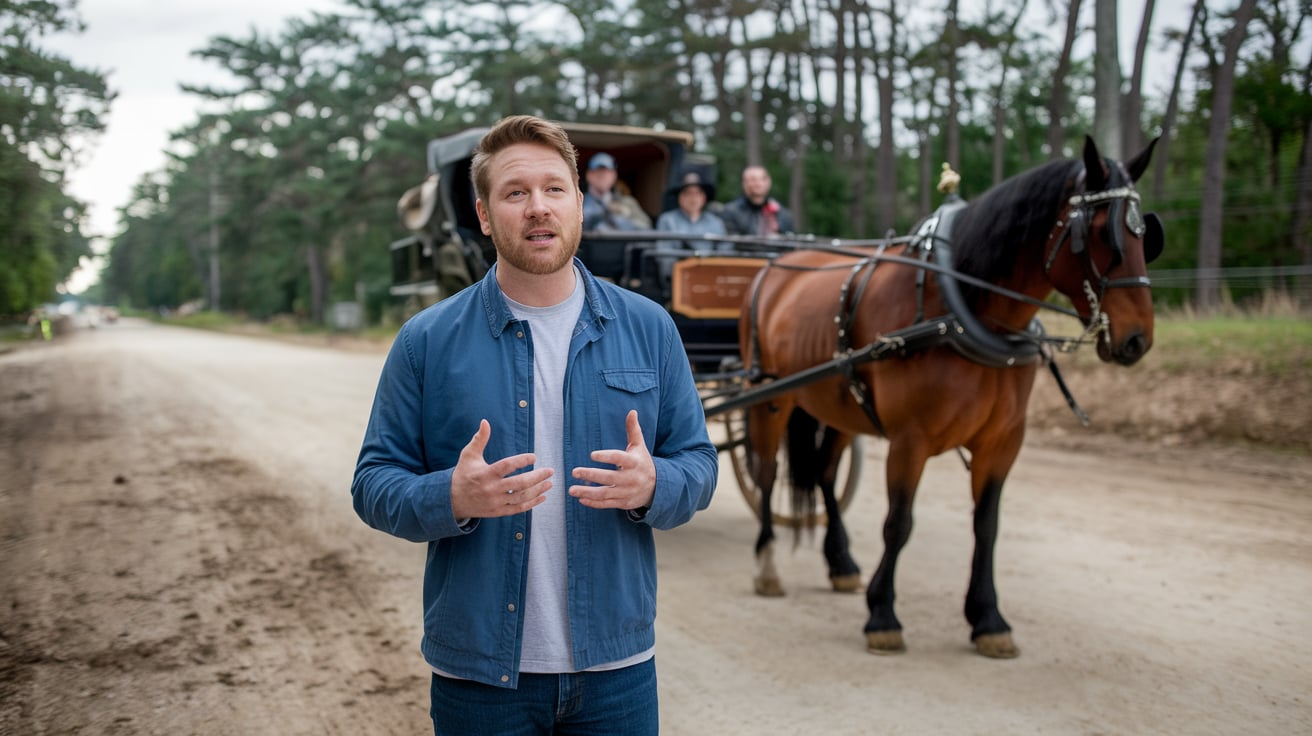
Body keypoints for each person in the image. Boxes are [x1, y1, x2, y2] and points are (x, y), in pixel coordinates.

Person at [350, 114, 718, 736]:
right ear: (486, 215)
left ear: (579, 202)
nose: (538, 208)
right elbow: (373, 482)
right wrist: (450, 496)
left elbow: (699, 464)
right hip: (481, 679)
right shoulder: (427, 340)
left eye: (554, 189)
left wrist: (655, 485)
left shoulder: (649, 326)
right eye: (516, 193)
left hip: (618, 673)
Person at [654, 170, 727, 253]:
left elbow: (724, 253)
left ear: (704, 197)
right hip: (679, 265)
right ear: (679, 197)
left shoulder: (715, 223)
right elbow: (663, 254)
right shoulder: (667, 220)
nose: (693, 198)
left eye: (697, 193)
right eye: (688, 193)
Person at [581, 151, 652, 231]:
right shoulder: (579, 203)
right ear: (589, 175)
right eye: (599, 172)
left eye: (607, 172)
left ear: (614, 175)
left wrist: (622, 218)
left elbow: (646, 228)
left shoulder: (628, 203)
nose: (603, 176)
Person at [720, 164, 795, 237]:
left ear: (769, 182)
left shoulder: (781, 213)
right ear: (744, 183)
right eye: (753, 179)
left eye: (763, 179)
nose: (758, 183)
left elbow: (789, 241)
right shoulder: (731, 212)